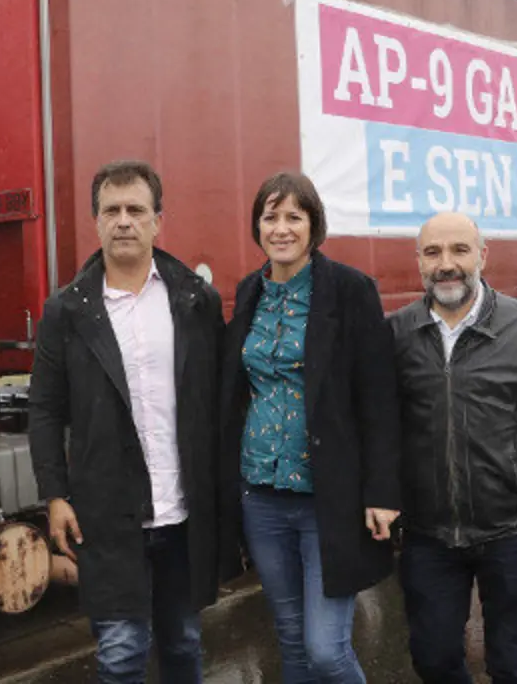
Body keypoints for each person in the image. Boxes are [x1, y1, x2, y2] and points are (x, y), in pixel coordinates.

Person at [28, 160, 232, 684]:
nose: (124, 221)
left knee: (184, 643)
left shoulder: (194, 301)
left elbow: (220, 401)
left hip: (180, 512)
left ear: (157, 220)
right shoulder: (67, 312)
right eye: (111, 210)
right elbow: (46, 410)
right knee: (121, 654)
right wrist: (54, 495)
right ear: (96, 222)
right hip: (107, 512)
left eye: (136, 210)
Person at [388, 212, 517, 684]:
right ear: (418, 261)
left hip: (512, 529)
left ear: (483, 255)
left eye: (459, 250)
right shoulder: (396, 335)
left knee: (512, 666)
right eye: (434, 252)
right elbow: (379, 428)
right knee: (433, 660)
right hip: (428, 535)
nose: (447, 264)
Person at [218, 171, 401, 683]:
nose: (281, 228)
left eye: (293, 217)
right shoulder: (249, 291)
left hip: (328, 498)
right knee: (293, 645)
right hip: (263, 498)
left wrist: (382, 491)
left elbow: (379, 400)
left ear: (313, 226)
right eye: (270, 216)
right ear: (257, 226)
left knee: (327, 651)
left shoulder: (349, 291)